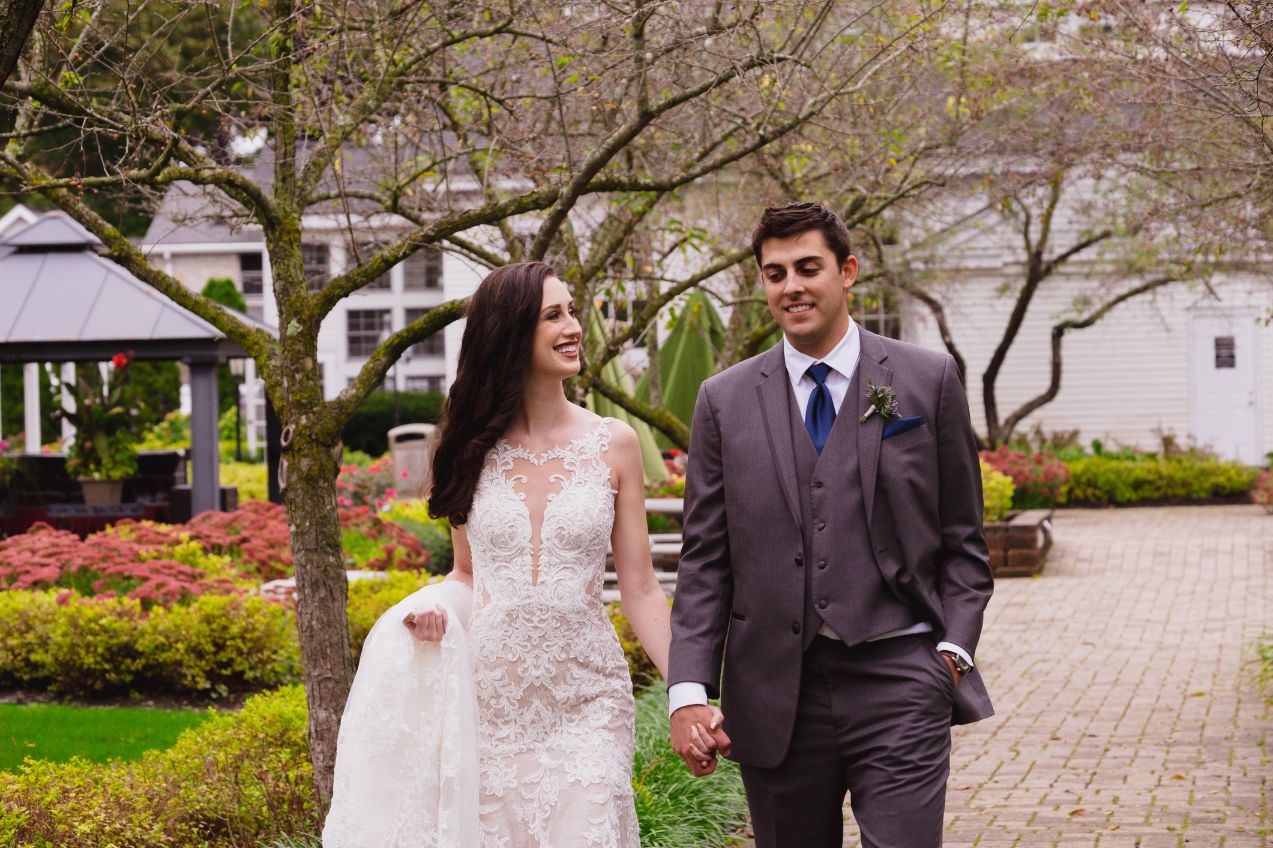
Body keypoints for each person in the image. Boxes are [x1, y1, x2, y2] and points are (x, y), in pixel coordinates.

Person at [667, 202, 995, 847]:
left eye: (808, 267)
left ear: (847, 271)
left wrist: (953, 650)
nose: (792, 286)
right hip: (774, 690)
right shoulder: (723, 400)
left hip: (900, 673)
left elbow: (963, 536)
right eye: (775, 272)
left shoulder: (926, 380)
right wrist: (687, 690)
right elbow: (705, 559)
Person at [361, 261, 715, 848]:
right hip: (491, 703)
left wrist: (690, 694)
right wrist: (437, 608)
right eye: (553, 315)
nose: (573, 326)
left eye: (571, 311)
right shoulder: (465, 448)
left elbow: (643, 590)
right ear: (510, 333)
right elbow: (467, 575)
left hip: (588, 698)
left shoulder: (614, 444)